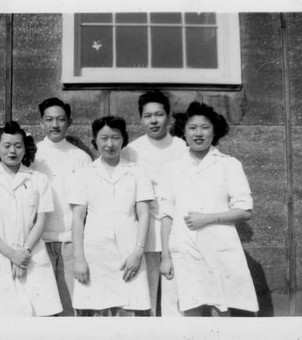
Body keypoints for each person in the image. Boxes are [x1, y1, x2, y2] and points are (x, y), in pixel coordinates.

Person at [159, 102, 259, 316]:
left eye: (205, 127)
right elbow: (166, 216)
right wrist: (166, 257)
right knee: (188, 311)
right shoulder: (171, 168)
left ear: (215, 130)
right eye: (192, 128)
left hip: (218, 247)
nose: (198, 133)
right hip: (183, 249)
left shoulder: (229, 164)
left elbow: (245, 211)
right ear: (183, 132)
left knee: (220, 310)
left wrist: (208, 218)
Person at [0, 121, 62, 316]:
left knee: (38, 318)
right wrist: (11, 254)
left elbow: (40, 222)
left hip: (31, 255)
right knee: (0, 319)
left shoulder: (38, 180)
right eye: (7, 146)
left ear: (26, 150)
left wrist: (23, 253)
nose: (13, 151)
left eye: (18, 146)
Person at [69, 116, 153, 316]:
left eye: (115, 138)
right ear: (95, 141)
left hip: (129, 252)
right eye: (104, 138)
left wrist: (138, 253)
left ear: (123, 139)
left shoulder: (137, 172)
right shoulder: (84, 173)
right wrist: (79, 258)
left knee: (130, 311)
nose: (110, 144)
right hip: (95, 253)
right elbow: (78, 218)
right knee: (96, 311)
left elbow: (144, 214)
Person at [122, 91, 187, 316]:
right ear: (141, 119)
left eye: (159, 114)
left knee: (175, 293)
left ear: (167, 117)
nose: (154, 120)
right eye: (148, 115)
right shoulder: (131, 150)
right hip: (144, 228)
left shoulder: (182, 147)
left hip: (176, 226)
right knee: (143, 295)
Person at [32, 97, 92, 316]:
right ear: (41, 122)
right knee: (43, 307)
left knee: (71, 305)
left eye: (60, 119)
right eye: (49, 119)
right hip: (40, 242)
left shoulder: (81, 158)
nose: (54, 125)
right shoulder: (31, 155)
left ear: (69, 122)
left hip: (70, 242)